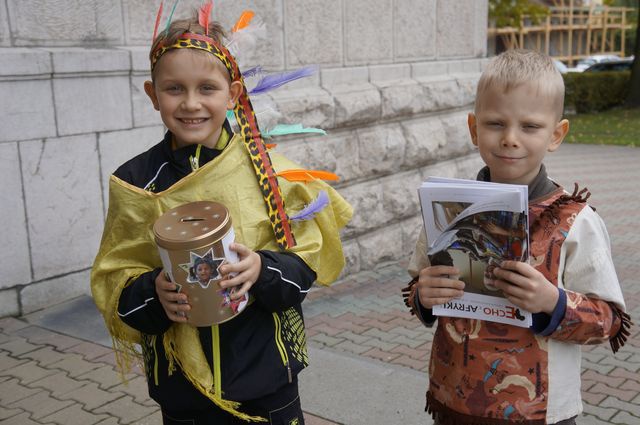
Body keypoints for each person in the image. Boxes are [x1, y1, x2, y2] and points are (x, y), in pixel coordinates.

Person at [91, 6, 352, 425]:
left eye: (206, 88)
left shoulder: (266, 171)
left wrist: (262, 269)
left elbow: (306, 264)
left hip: (267, 379)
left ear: (232, 94)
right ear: (152, 93)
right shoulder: (136, 182)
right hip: (183, 392)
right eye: (174, 88)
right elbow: (114, 281)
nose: (190, 103)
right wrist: (153, 293)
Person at [403, 49, 631, 425]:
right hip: (455, 403)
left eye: (529, 126)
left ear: (556, 134)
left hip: (540, 413)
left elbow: (609, 321)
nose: (510, 138)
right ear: (474, 128)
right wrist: (424, 296)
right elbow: (418, 286)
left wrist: (551, 301)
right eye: (495, 124)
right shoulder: (447, 209)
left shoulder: (577, 222)